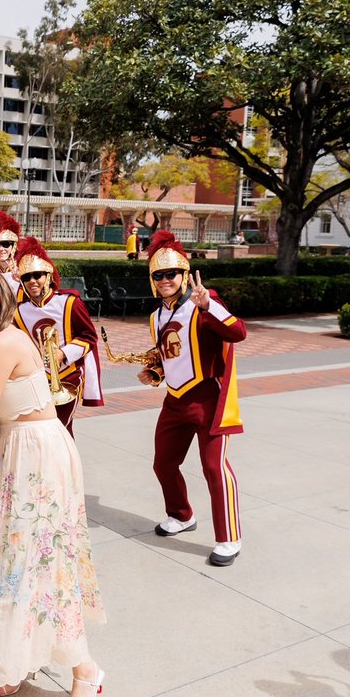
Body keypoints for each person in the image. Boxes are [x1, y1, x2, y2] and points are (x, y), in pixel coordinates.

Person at [0, 267, 105, 697]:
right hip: (13, 449)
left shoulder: (7, 340)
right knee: (4, 561)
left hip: (37, 454)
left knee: (39, 561)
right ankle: (16, 658)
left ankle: (85, 670)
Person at [142, 230, 246, 566]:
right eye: (159, 275)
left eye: (171, 274)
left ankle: (229, 537)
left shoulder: (203, 303)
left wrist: (210, 305)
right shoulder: (157, 316)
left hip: (207, 399)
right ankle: (182, 514)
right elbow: (171, 356)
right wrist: (155, 373)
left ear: (185, 274)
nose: (165, 280)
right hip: (174, 401)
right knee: (163, 463)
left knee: (214, 468)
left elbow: (238, 332)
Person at [12, 237, 104, 438]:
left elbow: (89, 336)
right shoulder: (19, 312)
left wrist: (63, 353)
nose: (32, 281)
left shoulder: (69, 302)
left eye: (37, 275)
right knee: (41, 428)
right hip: (38, 377)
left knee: (60, 428)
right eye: (27, 277)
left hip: (69, 374)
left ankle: (67, 467)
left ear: (49, 276)